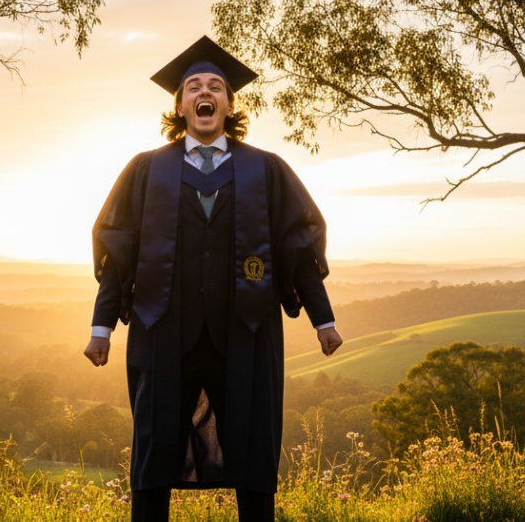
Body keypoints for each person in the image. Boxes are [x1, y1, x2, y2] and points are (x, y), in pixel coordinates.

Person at [84, 36, 342, 522]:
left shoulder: (265, 169)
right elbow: (120, 254)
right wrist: (102, 328)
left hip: (246, 333)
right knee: (154, 449)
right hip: (163, 333)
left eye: (216, 87)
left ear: (228, 104)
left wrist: (322, 318)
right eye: (194, 87)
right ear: (180, 106)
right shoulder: (146, 170)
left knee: (252, 446)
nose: (206, 93)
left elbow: (296, 249)